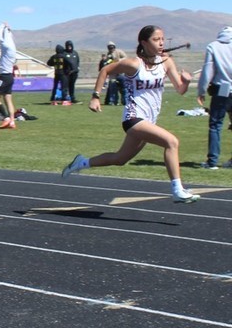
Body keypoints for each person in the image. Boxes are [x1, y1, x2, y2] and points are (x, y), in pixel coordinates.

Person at [62, 26, 200, 203]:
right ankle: (177, 190)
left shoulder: (166, 62)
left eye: (162, 39)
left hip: (149, 120)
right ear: (144, 42)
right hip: (133, 118)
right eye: (156, 39)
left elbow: (180, 90)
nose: (161, 42)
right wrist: (95, 96)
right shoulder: (133, 64)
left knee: (120, 159)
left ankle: (81, 162)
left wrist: (187, 82)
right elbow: (105, 71)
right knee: (171, 142)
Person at [196, 26, 232, 170]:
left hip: (222, 89)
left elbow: (208, 70)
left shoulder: (213, 46)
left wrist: (201, 90)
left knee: (216, 125)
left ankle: (212, 161)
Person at [0, 22, 18, 128]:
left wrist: (2, 25)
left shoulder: (7, 45)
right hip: (10, 76)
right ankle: (12, 121)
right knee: (8, 99)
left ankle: (6, 117)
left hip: (4, 76)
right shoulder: (12, 47)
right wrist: (7, 29)